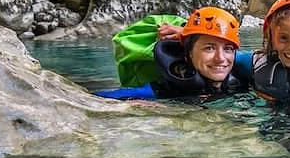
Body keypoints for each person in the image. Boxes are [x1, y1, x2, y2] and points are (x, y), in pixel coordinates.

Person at [96, 6, 247, 99]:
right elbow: (100, 99)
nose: (221, 58)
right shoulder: (163, 91)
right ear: (188, 54)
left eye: (228, 49)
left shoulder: (242, 83)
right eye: (209, 48)